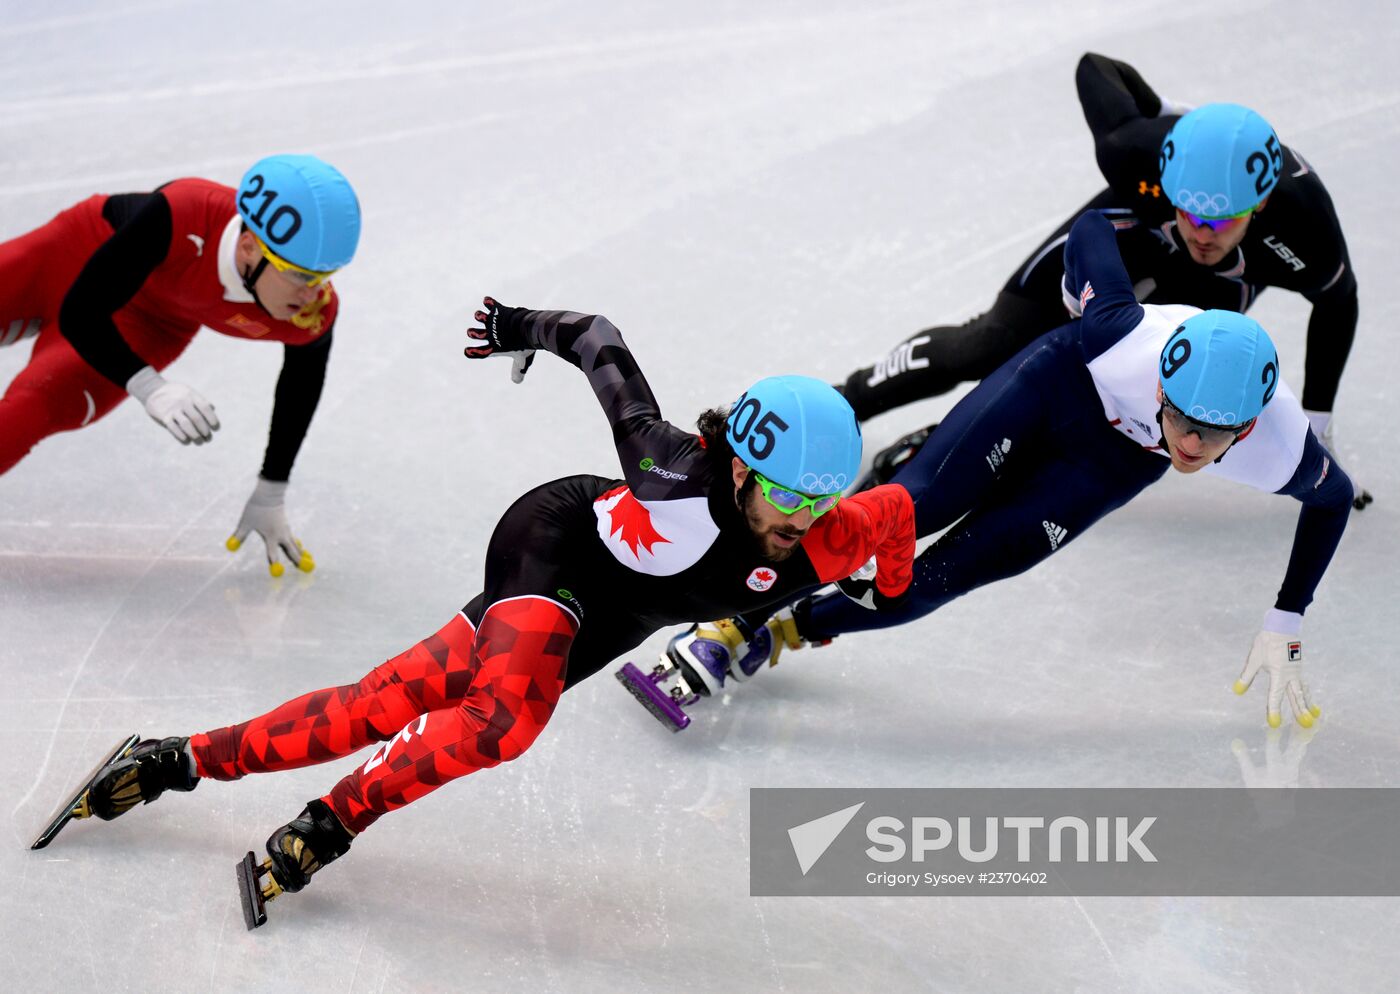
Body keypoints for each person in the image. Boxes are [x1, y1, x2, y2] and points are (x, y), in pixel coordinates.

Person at [36, 300, 916, 926]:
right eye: (782, 496)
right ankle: (333, 822)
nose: (796, 520)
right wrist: (514, 327)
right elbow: (597, 337)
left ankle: (172, 761)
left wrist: (892, 583)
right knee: (505, 723)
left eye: (817, 502)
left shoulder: (828, 534)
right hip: (555, 544)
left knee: (376, 706)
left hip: (605, 620)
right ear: (737, 467)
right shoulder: (670, 468)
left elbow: (899, 513)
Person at [670, 211, 1353, 731]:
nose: (1194, 447)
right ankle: (731, 621)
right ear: (1163, 389)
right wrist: (1085, 279)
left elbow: (1333, 500)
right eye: (1181, 421)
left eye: (1214, 435)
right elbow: (1091, 228)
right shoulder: (1120, 338)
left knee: (944, 579)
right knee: (911, 508)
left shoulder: (1279, 442)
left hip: (1111, 462)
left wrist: (1286, 617)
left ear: (1250, 425)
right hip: (1057, 384)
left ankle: (783, 630)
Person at [840, 53, 1369, 508]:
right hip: (1121, 234)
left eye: (1223, 219)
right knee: (991, 343)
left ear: (1260, 205)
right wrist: (1160, 113)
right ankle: (848, 400)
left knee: (1120, 390)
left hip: (1217, 287)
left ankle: (952, 447)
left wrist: (1316, 423)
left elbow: (1337, 305)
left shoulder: (1304, 225)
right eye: (1189, 212)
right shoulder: (1133, 149)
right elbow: (1095, 67)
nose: (1203, 233)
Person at [0, 154, 362, 574]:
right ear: (249, 248)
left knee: (27, 413)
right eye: (301, 275)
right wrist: (147, 386)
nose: (313, 293)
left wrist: (271, 489)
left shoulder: (310, 315)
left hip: (149, 326)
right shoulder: (186, 210)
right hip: (79, 249)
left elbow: (300, 386)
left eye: (326, 275)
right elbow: (81, 312)